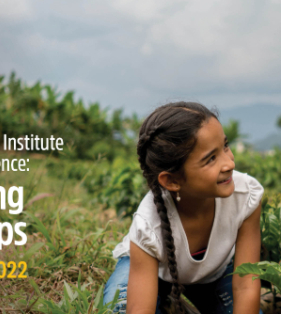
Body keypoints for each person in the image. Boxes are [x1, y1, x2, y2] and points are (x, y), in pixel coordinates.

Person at [102, 101, 264, 314]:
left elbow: (245, 286)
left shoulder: (245, 196)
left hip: (211, 276)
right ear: (171, 181)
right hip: (153, 274)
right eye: (211, 159)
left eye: (225, 146)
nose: (229, 163)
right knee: (119, 309)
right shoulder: (148, 225)